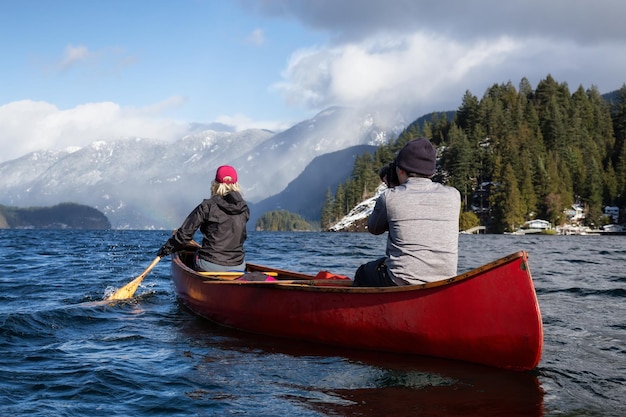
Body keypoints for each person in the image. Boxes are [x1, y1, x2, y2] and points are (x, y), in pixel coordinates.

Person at [354, 138, 461, 286]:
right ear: (431, 171)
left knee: (363, 272)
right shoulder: (454, 195)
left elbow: (374, 228)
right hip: (443, 281)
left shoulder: (390, 197)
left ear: (399, 170)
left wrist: (392, 190)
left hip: (401, 281)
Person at [157, 165, 250, 272]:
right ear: (236, 184)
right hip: (238, 266)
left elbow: (184, 235)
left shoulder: (207, 206)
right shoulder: (244, 209)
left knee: (194, 257)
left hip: (210, 264)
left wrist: (165, 249)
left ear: (216, 184)